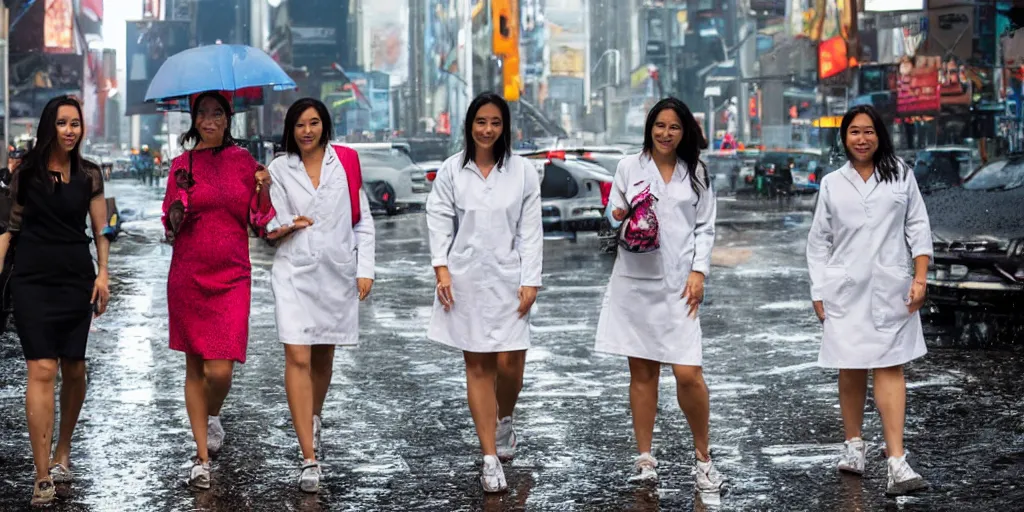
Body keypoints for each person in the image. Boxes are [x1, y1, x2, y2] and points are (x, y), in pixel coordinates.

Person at [594, 97, 726, 493]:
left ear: (684, 132)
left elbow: (705, 227)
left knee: (689, 374)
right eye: (660, 126)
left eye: (674, 127)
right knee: (643, 373)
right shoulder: (628, 167)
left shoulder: (696, 172)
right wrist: (615, 214)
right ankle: (645, 458)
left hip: (680, 286)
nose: (666, 134)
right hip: (635, 281)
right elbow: (610, 215)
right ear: (649, 128)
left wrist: (699, 271)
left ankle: (703, 459)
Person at [806, 104, 931, 496]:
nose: (862, 139)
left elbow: (918, 226)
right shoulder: (832, 183)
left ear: (880, 135)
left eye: (869, 132)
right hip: (844, 288)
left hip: (892, 287)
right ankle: (854, 445)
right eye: (854, 132)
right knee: (851, 366)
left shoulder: (901, 176)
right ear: (844, 138)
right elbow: (818, 242)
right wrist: (817, 290)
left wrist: (921, 277)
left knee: (891, 367)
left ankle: (897, 462)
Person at [425, 92, 543, 493]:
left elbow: (530, 230)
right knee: (478, 366)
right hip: (467, 280)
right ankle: (490, 457)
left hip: (511, 279)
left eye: (495, 122)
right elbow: (439, 218)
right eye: (481, 122)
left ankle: (504, 418)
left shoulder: (523, 172)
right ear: (469, 125)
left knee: (510, 365)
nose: (488, 129)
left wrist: (531, 280)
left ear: (504, 127)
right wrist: (441, 268)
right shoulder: (451, 171)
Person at [0, 96, 110, 507]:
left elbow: (101, 231)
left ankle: (64, 448)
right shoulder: (25, 174)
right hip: (32, 280)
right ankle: (42, 472)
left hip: (75, 280)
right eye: (62, 123)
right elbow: (10, 228)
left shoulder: (90, 175)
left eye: (75, 124)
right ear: (50, 126)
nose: (69, 130)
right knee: (42, 368)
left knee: (75, 368)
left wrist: (103, 274)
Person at [162, 91, 274, 489]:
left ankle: (211, 414)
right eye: (202, 114)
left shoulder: (245, 162)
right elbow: (169, 226)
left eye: (217, 113)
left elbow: (261, 221)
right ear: (193, 120)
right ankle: (201, 457)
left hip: (232, 275)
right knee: (195, 367)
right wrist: (180, 205)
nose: (210, 120)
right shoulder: (182, 165)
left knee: (220, 369)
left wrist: (263, 187)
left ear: (228, 119)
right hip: (189, 274)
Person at [265, 98, 375, 493]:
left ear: (324, 126)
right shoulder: (278, 169)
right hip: (293, 271)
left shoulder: (344, 163)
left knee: (323, 356)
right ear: (290, 130)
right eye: (299, 125)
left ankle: (312, 415)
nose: (307, 131)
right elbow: (268, 222)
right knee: (297, 354)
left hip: (335, 273)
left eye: (314, 123)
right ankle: (308, 457)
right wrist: (285, 223)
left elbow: (362, 223)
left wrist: (365, 269)